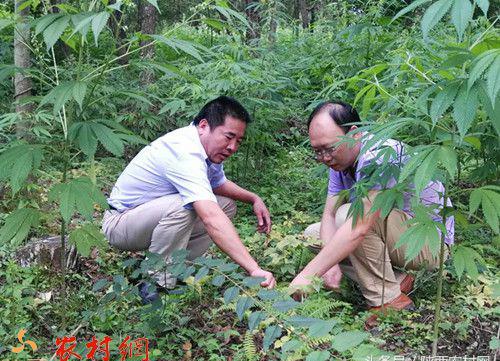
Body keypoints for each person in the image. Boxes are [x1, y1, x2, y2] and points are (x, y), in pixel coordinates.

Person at [290, 101, 454, 325]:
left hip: (430, 243)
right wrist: (329, 265)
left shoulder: (380, 154)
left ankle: (388, 300)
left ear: (354, 134)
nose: (324, 158)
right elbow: (328, 215)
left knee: (350, 216)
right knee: (313, 233)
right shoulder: (341, 162)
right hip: (397, 235)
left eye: (329, 148)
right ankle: (398, 280)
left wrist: (308, 275)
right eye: (317, 151)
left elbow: (359, 227)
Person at [102, 96, 276, 301]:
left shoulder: (206, 149)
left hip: (146, 219)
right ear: (204, 126)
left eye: (238, 141)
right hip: (120, 224)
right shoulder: (185, 151)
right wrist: (253, 268)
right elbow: (210, 217)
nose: (233, 147)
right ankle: (154, 282)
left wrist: (254, 198)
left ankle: (175, 269)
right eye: (228, 137)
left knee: (226, 206)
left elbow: (217, 183)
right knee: (187, 206)